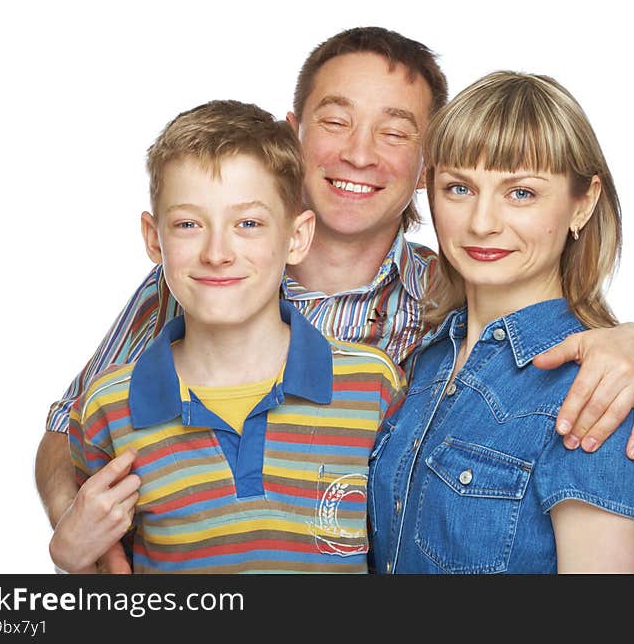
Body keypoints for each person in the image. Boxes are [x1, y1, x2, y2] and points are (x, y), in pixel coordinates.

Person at [36, 27, 634, 573]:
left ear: (423, 164)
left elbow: (584, 401)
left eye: (395, 133)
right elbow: (71, 430)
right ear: (294, 137)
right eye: (336, 122)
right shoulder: (199, 280)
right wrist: (81, 540)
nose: (360, 153)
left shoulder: (446, 296)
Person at [49, 100, 406, 573]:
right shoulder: (110, 408)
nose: (217, 252)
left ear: (297, 237)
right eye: (189, 225)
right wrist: (69, 561)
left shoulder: (371, 387)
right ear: (154, 238)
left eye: (249, 224)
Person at [369, 71, 634, 574]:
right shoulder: (426, 357)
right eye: (459, 187)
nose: (482, 221)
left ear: (584, 202)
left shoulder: (596, 389)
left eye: (522, 193)